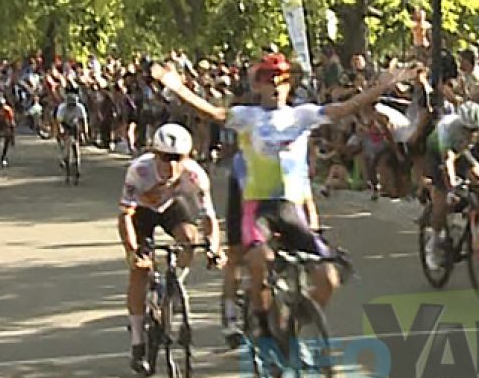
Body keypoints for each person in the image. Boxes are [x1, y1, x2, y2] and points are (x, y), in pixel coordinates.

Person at [153, 54, 414, 333]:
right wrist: (178, 88)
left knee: (328, 279)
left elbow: (344, 108)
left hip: (290, 210)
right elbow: (212, 113)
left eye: (281, 81)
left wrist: (384, 86)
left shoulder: (301, 115)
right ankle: (261, 323)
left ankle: (291, 328)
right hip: (257, 210)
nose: (275, 86)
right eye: (269, 81)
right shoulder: (247, 117)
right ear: (259, 87)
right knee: (259, 261)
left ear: (289, 85)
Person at [118, 125, 220, 375]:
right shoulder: (139, 171)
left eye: (178, 158)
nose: (172, 165)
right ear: (155, 154)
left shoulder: (195, 175)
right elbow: (125, 217)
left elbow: (209, 217)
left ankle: (174, 286)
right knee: (139, 271)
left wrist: (214, 248)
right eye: (165, 157)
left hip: (171, 207)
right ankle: (138, 342)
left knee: (189, 237)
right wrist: (133, 252)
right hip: (140, 212)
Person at [422, 94, 479, 273]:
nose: (471, 134)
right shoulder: (446, 127)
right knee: (442, 200)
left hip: (462, 152)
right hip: (438, 153)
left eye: (474, 131)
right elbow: (447, 161)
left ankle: (478, 226)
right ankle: (433, 243)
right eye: (467, 130)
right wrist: (451, 188)